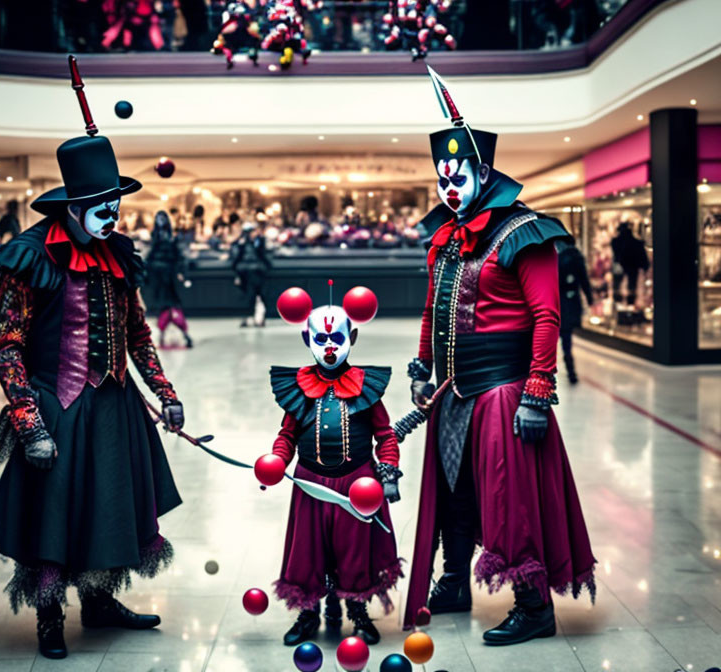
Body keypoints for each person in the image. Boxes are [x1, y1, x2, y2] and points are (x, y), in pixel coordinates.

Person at [0, 130, 186, 660]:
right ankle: (50, 618)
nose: (112, 216)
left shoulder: (118, 256)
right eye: (101, 207)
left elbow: (137, 333)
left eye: (116, 205)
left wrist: (166, 392)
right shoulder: (31, 257)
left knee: (109, 508)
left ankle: (99, 602)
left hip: (114, 407)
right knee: (56, 515)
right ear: (74, 205)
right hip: (56, 407)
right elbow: (8, 346)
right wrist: (29, 422)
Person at [403, 68, 596, 645]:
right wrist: (421, 368)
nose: (449, 187)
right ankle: (455, 582)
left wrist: (538, 391)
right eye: (442, 177)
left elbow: (547, 316)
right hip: (454, 391)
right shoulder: (446, 234)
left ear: (483, 172)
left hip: (506, 390)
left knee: (511, 502)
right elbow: (432, 309)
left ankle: (534, 607)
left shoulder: (525, 231)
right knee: (456, 493)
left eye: (458, 175)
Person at [268, 286, 403, 647]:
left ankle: (357, 610)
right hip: (311, 484)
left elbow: (385, 436)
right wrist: (276, 460)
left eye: (337, 337)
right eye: (321, 338)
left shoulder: (365, 387)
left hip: (358, 484)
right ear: (306, 338)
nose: (330, 346)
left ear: (353, 337)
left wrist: (388, 472)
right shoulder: (298, 387)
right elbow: (287, 434)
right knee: (309, 551)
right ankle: (309, 612)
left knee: (355, 552)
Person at [146, 210, 192, 348]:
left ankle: (165, 336)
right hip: (165, 276)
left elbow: (151, 257)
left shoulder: (159, 238)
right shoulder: (168, 237)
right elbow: (179, 256)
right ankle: (179, 335)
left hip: (163, 276)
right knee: (170, 306)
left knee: (166, 306)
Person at [556, 239, 593, 384]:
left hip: (558, 303)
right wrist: (589, 298)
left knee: (556, 335)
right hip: (571, 302)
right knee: (566, 337)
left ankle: (555, 368)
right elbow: (584, 279)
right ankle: (570, 368)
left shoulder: (557, 258)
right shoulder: (577, 257)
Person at [231, 222, 271, 327]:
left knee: (258, 296)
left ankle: (257, 318)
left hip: (255, 272)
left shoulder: (258, 242)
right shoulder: (243, 244)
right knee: (249, 296)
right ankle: (249, 318)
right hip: (248, 273)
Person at [611, 221, 649, 306]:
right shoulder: (635, 242)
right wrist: (645, 265)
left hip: (621, 265)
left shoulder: (616, 241)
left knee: (618, 286)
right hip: (631, 266)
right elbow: (641, 254)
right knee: (631, 285)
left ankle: (620, 302)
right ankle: (629, 303)